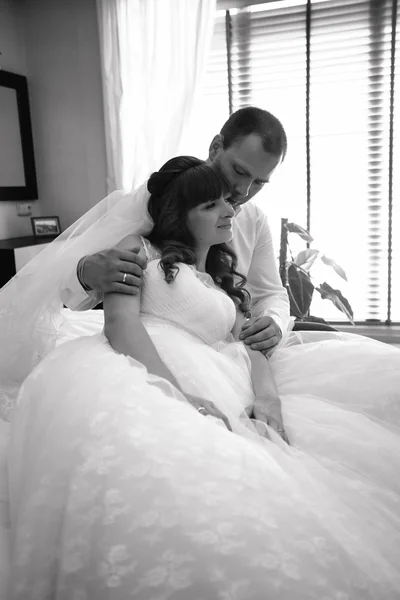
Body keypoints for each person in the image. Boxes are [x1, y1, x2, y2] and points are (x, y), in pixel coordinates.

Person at [7, 155, 400, 599]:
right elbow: (120, 324)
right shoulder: (140, 248)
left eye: (226, 202)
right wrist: (176, 392)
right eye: (211, 205)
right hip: (153, 363)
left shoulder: (218, 280)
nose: (231, 209)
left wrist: (267, 395)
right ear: (179, 214)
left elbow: (246, 344)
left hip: (224, 371)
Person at [62, 106, 292, 355]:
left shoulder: (254, 219)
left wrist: (275, 321)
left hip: (228, 354)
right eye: (239, 171)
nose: (244, 191)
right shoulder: (152, 202)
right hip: (152, 352)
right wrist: (87, 272)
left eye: (259, 182)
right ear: (216, 147)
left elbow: (271, 293)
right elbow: (68, 293)